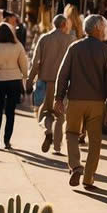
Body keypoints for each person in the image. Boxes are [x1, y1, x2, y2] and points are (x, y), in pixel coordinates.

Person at [54, 14, 107, 188]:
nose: (104, 30)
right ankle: (88, 178)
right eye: (103, 27)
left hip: (75, 100)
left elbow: (63, 74)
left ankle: (75, 166)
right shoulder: (106, 51)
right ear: (97, 28)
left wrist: (58, 97)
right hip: (97, 103)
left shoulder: (74, 47)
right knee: (95, 141)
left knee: (72, 134)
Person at [27, 14, 73, 154]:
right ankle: (57, 147)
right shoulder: (70, 40)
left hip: (45, 81)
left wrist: (30, 80)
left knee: (44, 111)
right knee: (60, 115)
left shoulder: (44, 38)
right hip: (63, 83)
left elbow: (35, 62)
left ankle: (47, 130)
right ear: (64, 24)